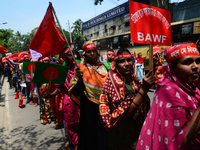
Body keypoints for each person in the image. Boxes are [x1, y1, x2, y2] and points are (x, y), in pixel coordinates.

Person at [136, 43, 200, 150]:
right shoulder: (169, 94)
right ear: (173, 68)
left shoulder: (190, 85)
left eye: (198, 61)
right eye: (187, 62)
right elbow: (177, 141)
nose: (195, 67)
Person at [99, 48, 155, 150]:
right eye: (121, 61)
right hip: (120, 135)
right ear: (115, 64)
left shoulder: (136, 81)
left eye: (129, 60)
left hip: (137, 130)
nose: (126, 64)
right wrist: (144, 89)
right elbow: (127, 113)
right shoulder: (111, 85)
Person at [69, 42, 108, 150]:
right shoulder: (80, 68)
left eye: (94, 51)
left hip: (103, 108)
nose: (92, 54)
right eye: (89, 52)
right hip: (88, 110)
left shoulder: (103, 67)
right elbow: (74, 91)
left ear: (97, 52)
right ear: (84, 55)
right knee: (88, 138)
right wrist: (80, 81)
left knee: (102, 137)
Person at [45, 48, 80, 150]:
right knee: (70, 125)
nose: (73, 56)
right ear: (63, 58)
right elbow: (59, 88)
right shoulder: (61, 71)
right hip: (69, 102)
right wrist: (51, 95)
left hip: (81, 100)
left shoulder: (79, 67)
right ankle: (75, 144)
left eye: (73, 54)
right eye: (69, 55)